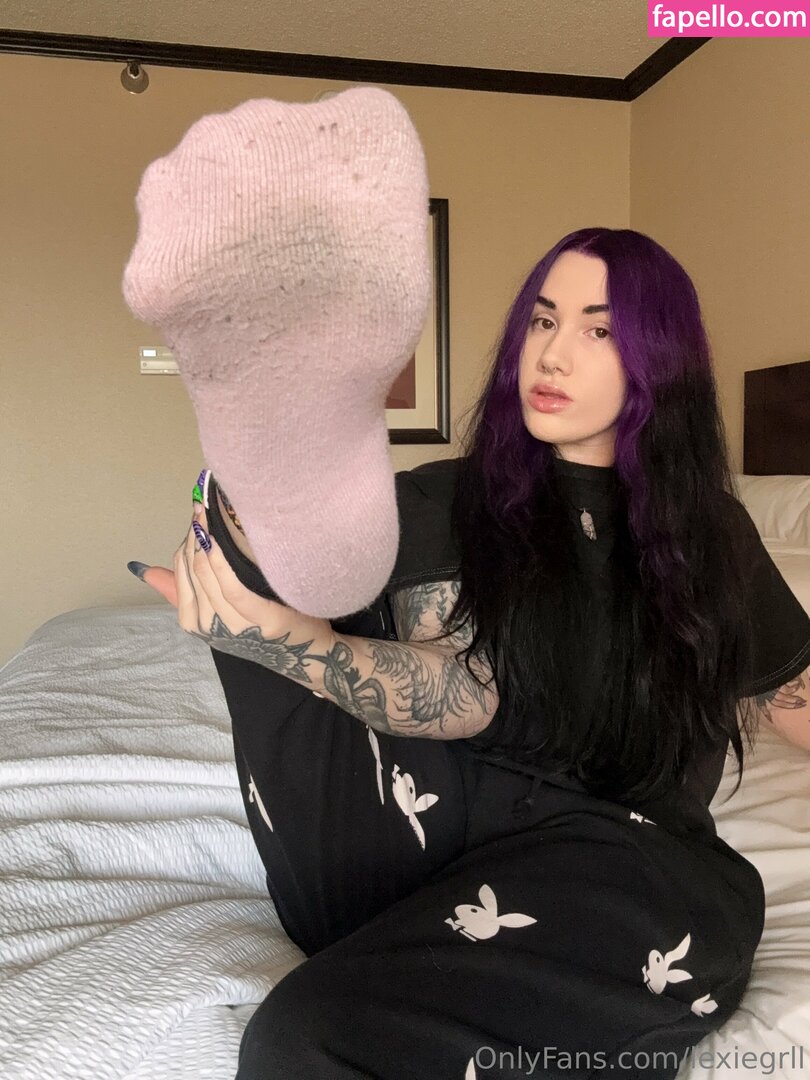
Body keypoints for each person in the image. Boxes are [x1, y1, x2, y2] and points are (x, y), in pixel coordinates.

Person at [125, 95, 810, 1080]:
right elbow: (455, 681)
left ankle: (272, 499)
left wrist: (286, 639)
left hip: (614, 850)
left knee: (306, 1033)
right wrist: (282, 634)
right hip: (424, 823)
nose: (552, 353)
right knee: (287, 593)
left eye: (598, 331)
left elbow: (791, 697)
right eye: (542, 320)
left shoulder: (712, 535)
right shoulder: (447, 498)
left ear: (659, 365)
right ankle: (268, 428)